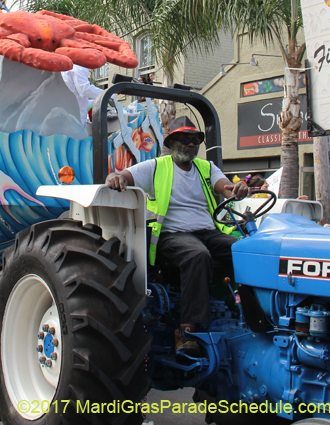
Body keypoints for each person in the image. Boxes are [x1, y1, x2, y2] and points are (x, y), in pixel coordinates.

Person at [106, 116, 249, 354]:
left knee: (246, 250)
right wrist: (117, 178)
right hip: (172, 234)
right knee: (197, 256)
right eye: (184, 140)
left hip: (208, 231)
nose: (191, 144)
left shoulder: (206, 168)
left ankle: (246, 313)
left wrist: (235, 189)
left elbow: (224, 186)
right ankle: (187, 331)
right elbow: (123, 176)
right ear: (172, 144)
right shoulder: (156, 166)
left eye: (195, 140)